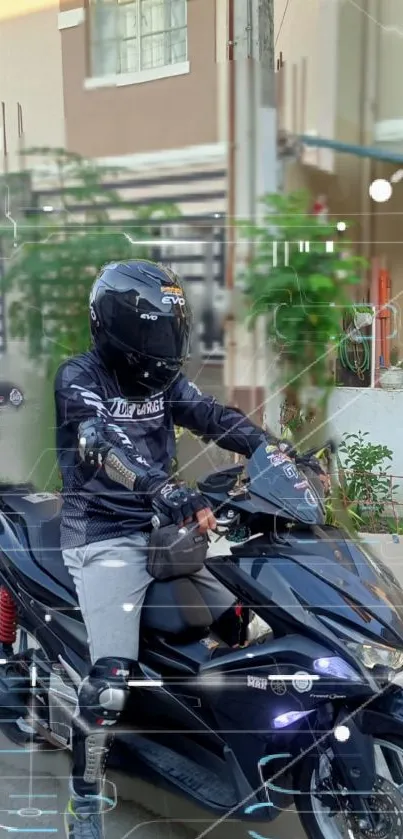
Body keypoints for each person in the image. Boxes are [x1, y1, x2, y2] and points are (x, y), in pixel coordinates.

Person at [54, 259, 303, 839]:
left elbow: (212, 416)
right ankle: (83, 801)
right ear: (118, 328)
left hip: (168, 532)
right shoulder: (80, 377)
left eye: (170, 329)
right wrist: (157, 486)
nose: (163, 344)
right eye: (152, 331)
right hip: (103, 535)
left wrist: (277, 454)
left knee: (242, 626)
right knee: (110, 680)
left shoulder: (166, 382)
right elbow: (101, 442)